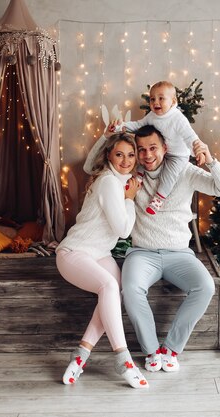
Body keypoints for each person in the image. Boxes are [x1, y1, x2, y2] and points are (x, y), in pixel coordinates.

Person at [84, 124, 220, 374]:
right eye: (140, 150)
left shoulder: (184, 171)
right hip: (142, 253)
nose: (147, 155)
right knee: (130, 289)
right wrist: (106, 136)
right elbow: (91, 168)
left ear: (165, 148)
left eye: (153, 148)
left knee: (206, 286)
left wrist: (210, 161)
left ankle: (171, 349)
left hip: (179, 254)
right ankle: (152, 351)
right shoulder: (132, 173)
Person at [55, 132, 148, 389]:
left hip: (100, 254)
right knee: (108, 286)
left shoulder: (122, 181)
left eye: (131, 155)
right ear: (108, 156)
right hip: (74, 253)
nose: (126, 160)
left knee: (115, 291)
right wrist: (129, 200)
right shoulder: (109, 182)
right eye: (119, 154)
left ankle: (80, 356)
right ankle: (124, 359)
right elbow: (123, 230)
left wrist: (129, 195)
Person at [123, 81, 206, 216]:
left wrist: (199, 151)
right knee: (145, 157)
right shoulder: (151, 116)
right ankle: (138, 178)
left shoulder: (178, 118)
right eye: (152, 99)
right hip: (162, 152)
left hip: (178, 155)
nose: (156, 102)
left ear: (173, 102)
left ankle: (159, 198)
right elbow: (138, 125)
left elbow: (190, 137)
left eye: (161, 98)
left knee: (169, 175)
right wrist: (122, 127)